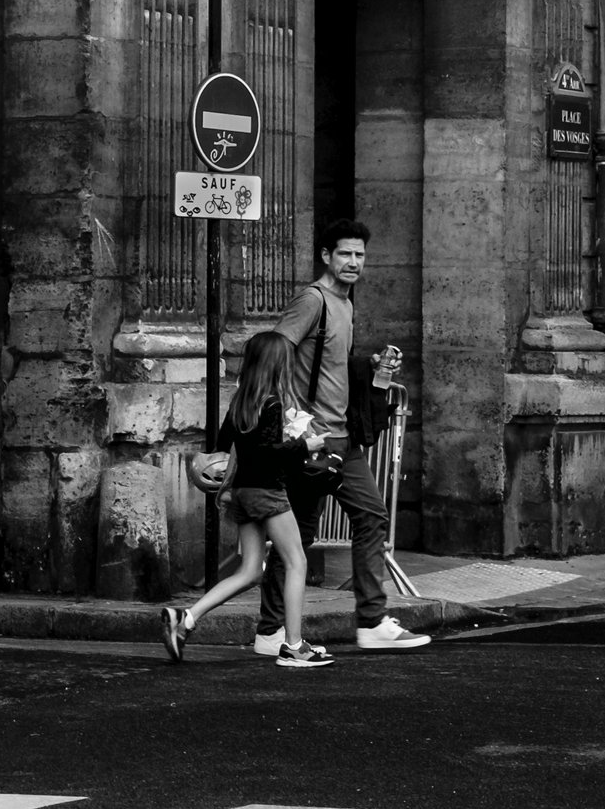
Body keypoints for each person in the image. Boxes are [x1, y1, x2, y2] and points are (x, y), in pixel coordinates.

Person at [252, 218, 430, 656]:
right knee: (299, 536)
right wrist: (298, 423)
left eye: (360, 255)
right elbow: (274, 356)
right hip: (314, 441)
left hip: (341, 439)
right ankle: (271, 630)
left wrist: (371, 370)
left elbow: (326, 366)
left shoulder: (346, 304)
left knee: (369, 516)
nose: (354, 262)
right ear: (326, 257)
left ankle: (370, 621)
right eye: (345, 254)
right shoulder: (312, 301)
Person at [160, 332, 336, 669]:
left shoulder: (242, 401)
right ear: (277, 365)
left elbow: (226, 445)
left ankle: (186, 618)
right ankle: (294, 646)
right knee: (297, 562)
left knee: (251, 569)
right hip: (267, 492)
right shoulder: (272, 403)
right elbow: (264, 454)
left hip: (240, 493)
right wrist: (304, 446)